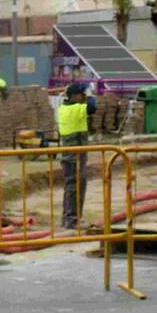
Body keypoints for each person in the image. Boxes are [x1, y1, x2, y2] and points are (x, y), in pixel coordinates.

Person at [58, 82, 97, 230]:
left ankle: (68, 218)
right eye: (82, 95)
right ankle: (72, 220)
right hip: (74, 154)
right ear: (74, 96)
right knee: (75, 185)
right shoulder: (75, 109)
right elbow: (93, 107)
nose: (84, 98)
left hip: (72, 153)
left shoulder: (65, 107)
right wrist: (91, 94)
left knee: (73, 185)